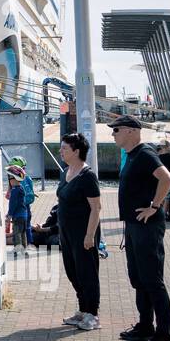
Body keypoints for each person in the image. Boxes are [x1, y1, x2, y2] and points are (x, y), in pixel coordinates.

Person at [112, 115, 170, 341]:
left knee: (152, 280)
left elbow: (167, 179)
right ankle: (145, 326)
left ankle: (165, 335)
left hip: (147, 226)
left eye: (116, 130)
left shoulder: (145, 153)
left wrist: (155, 206)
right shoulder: (132, 156)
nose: (113, 134)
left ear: (130, 131)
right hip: (134, 225)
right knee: (138, 278)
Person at [55, 133, 102, 330]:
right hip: (66, 233)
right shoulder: (65, 172)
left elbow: (96, 208)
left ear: (76, 151)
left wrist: (90, 235)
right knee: (73, 272)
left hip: (84, 234)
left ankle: (93, 314)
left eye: (64, 148)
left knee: (87, 273)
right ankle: (82, 310)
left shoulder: (87, 176)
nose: (61, 151)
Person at [6, 166, 30, 253]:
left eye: (9, 178)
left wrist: (9, 215)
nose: (9, 180)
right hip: (24, 215)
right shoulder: (21, 188)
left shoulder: (15, 191)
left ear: (14, 179)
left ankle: (17, 251)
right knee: (23, 233)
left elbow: (13, 204)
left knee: (17, 233)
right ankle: (24, 250)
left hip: (17, 216)